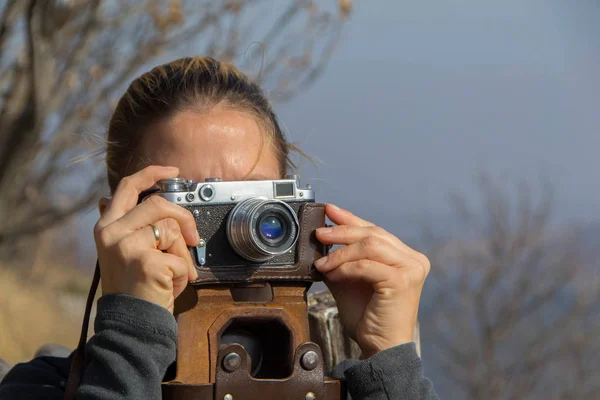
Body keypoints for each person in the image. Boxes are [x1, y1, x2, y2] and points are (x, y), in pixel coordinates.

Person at [0, 57, 438, 400]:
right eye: (191, 199)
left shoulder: (342, 389)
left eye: (253, 200)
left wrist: (389, 360)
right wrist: (131, 337)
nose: (232, 229)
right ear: (113, 222)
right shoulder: (42, 390)